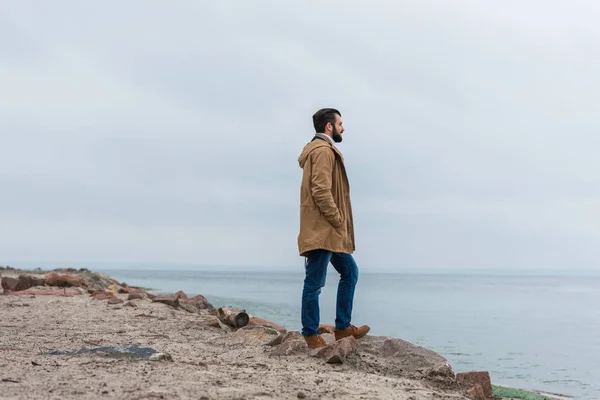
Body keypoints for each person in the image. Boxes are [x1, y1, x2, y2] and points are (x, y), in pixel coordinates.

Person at [297, 107, 370, 349]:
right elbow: (320, 190)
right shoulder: (323, 151)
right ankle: (310, 334)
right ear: (329, 126)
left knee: (350, 272)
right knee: (315, 282)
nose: (343, 127)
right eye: (340, 123)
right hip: (323, 228)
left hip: (330, 230)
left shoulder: (322, 150)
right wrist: (338, 218)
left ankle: (341, 327)